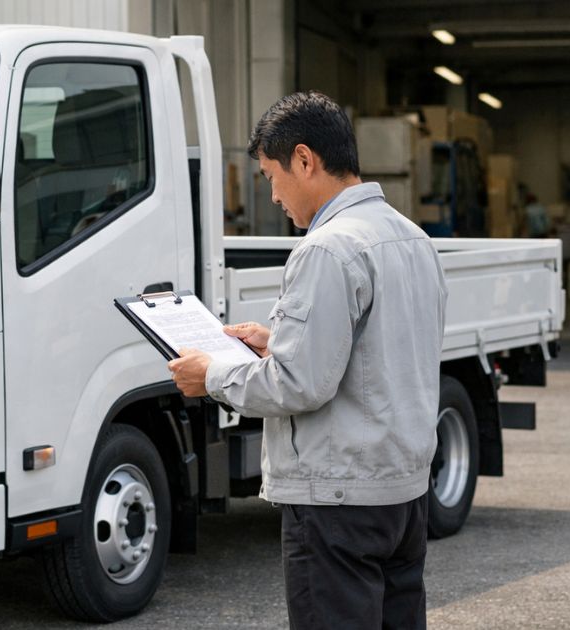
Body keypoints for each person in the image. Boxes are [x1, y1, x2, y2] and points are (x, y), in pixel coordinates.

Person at [168, 92, 448, 629]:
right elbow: (383, 351)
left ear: (304, 159)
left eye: (271, 176)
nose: (272, 195)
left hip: (337, 499)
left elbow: (297, 386)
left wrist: (213, 375)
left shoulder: (326, 249)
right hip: (403, 493)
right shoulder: (412, 239)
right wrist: (278, 343)